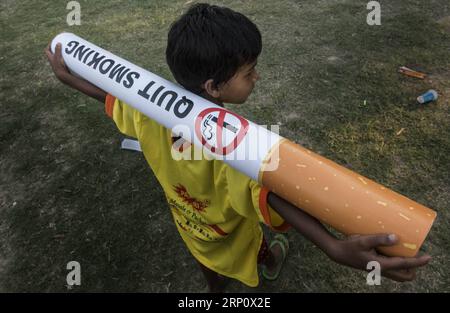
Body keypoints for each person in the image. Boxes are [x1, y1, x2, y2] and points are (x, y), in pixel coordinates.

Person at [45, 3, 431, 292]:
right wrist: (330, 245)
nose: (256, 77)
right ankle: (265, 257)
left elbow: (112, 99)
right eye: (248, 73)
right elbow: (275, 195)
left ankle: (214, 292)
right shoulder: (231, 149)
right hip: (228, 228)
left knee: (205, 259)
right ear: (213, 88)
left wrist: (68, 78)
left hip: (187, 222)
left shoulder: (148, 114)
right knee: (252, 244)